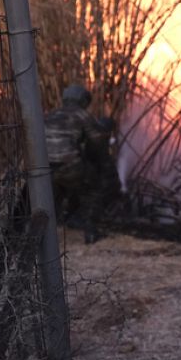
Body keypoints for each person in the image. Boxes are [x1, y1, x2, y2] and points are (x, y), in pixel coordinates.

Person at [44, 84, 109, 244]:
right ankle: (91, 232)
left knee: (52, 198)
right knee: (93, 188)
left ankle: (48, 233)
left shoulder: (51, 115)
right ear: (82, 100)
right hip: (69, 165)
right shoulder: (82, 115)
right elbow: (97, 140)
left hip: (46, 168)